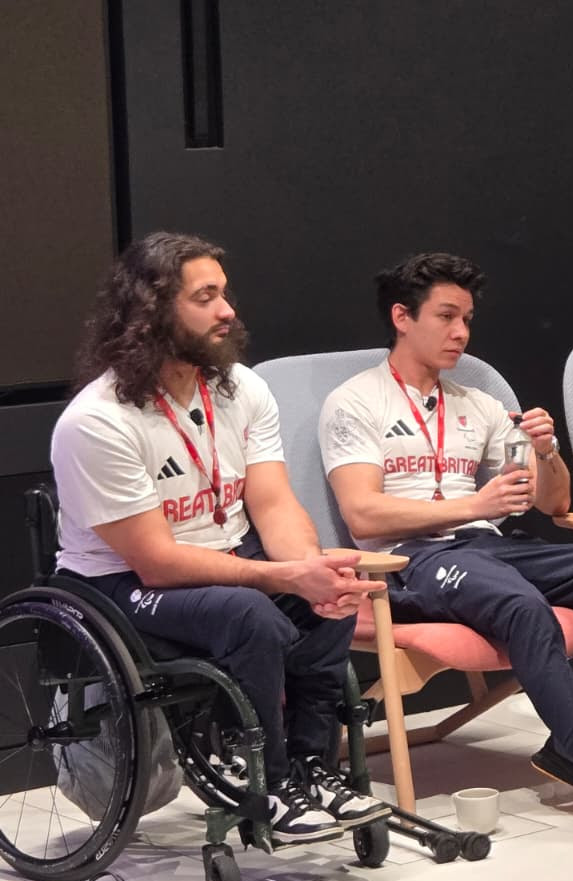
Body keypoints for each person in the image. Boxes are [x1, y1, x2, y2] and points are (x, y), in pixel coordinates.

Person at [319, 252, 573, 847]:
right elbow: (363, 512)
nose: (461, 333)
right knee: (523, 607)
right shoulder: (356, 401)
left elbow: (552, 503)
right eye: (446, 316)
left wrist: (546, 452)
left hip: (486, 547)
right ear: (401, 317)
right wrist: (474, 505)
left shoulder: (478, 404)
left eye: (467, 319)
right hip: (411, 558)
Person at [50, 232, 390, 845]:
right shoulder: (97, 421)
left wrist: (310, 571)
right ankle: (270, 784)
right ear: (153, 310)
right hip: (119, 583)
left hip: (225, 557)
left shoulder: (241, 388)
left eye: (224, 294)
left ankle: (314, 771)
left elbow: (273, 503)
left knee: (330, 597)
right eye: (205, 297)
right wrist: (281, 577)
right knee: (250, 613)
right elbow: (156, 562)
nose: (227, 311)